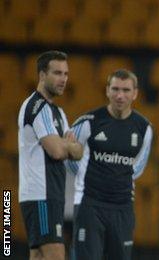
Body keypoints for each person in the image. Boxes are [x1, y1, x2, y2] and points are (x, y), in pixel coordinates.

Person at [67, 69, 153, 260]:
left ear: (135, 93)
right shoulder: (87, 122)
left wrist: (117, 178)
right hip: (90, 204)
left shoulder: (144, 128)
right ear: (107, 91)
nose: (120, 95)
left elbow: (137, 167)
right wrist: (85, 177)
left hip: (123, 207)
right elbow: (71, 159)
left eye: (126, 90)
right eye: (115, 89)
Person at [18, 50, 83, 260]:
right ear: (42, 75)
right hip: (40, 195)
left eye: (65, 74)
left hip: (50, 195)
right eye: (57, 73)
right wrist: (67, 146)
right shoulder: (37, 107)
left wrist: (68, 146)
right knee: (56, 254)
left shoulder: (58, 112)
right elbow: (57, 151)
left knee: (38, 256)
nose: (63, 79)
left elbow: (78, 151)